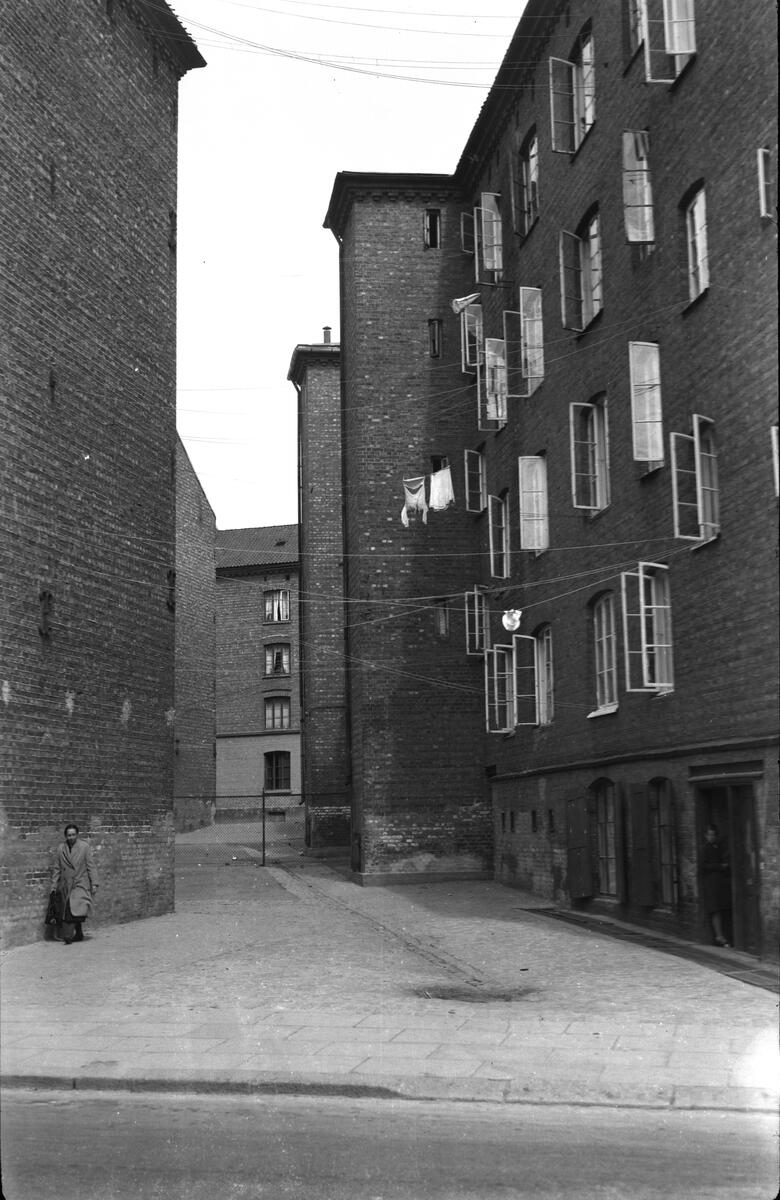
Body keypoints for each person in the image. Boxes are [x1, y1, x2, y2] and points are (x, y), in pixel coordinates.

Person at [50, 824, 98, 944]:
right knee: (73, 909)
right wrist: (54, 886)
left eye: (73, 834)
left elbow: (91, 866)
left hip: (80, 883)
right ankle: (79, 933)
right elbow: (57, 869)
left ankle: (67, 935)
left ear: (77, 834)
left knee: (70, 909)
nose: (71, 837)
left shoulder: (84, 847)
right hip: (66, 884)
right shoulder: (61, 848)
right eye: (69, 835)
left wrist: (94, 883)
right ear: (65, 836)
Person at [701, 823, 731, 947]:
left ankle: (724, 935)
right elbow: (703, 866)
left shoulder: (718, 847)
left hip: (720, 882)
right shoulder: (704, 849)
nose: (711, 837)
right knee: (715, 909)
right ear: (705, 836)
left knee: (723, 908)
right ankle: (719, 936)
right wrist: (719, 866)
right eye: (709, 835)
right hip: (711, 883)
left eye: (713, 834)